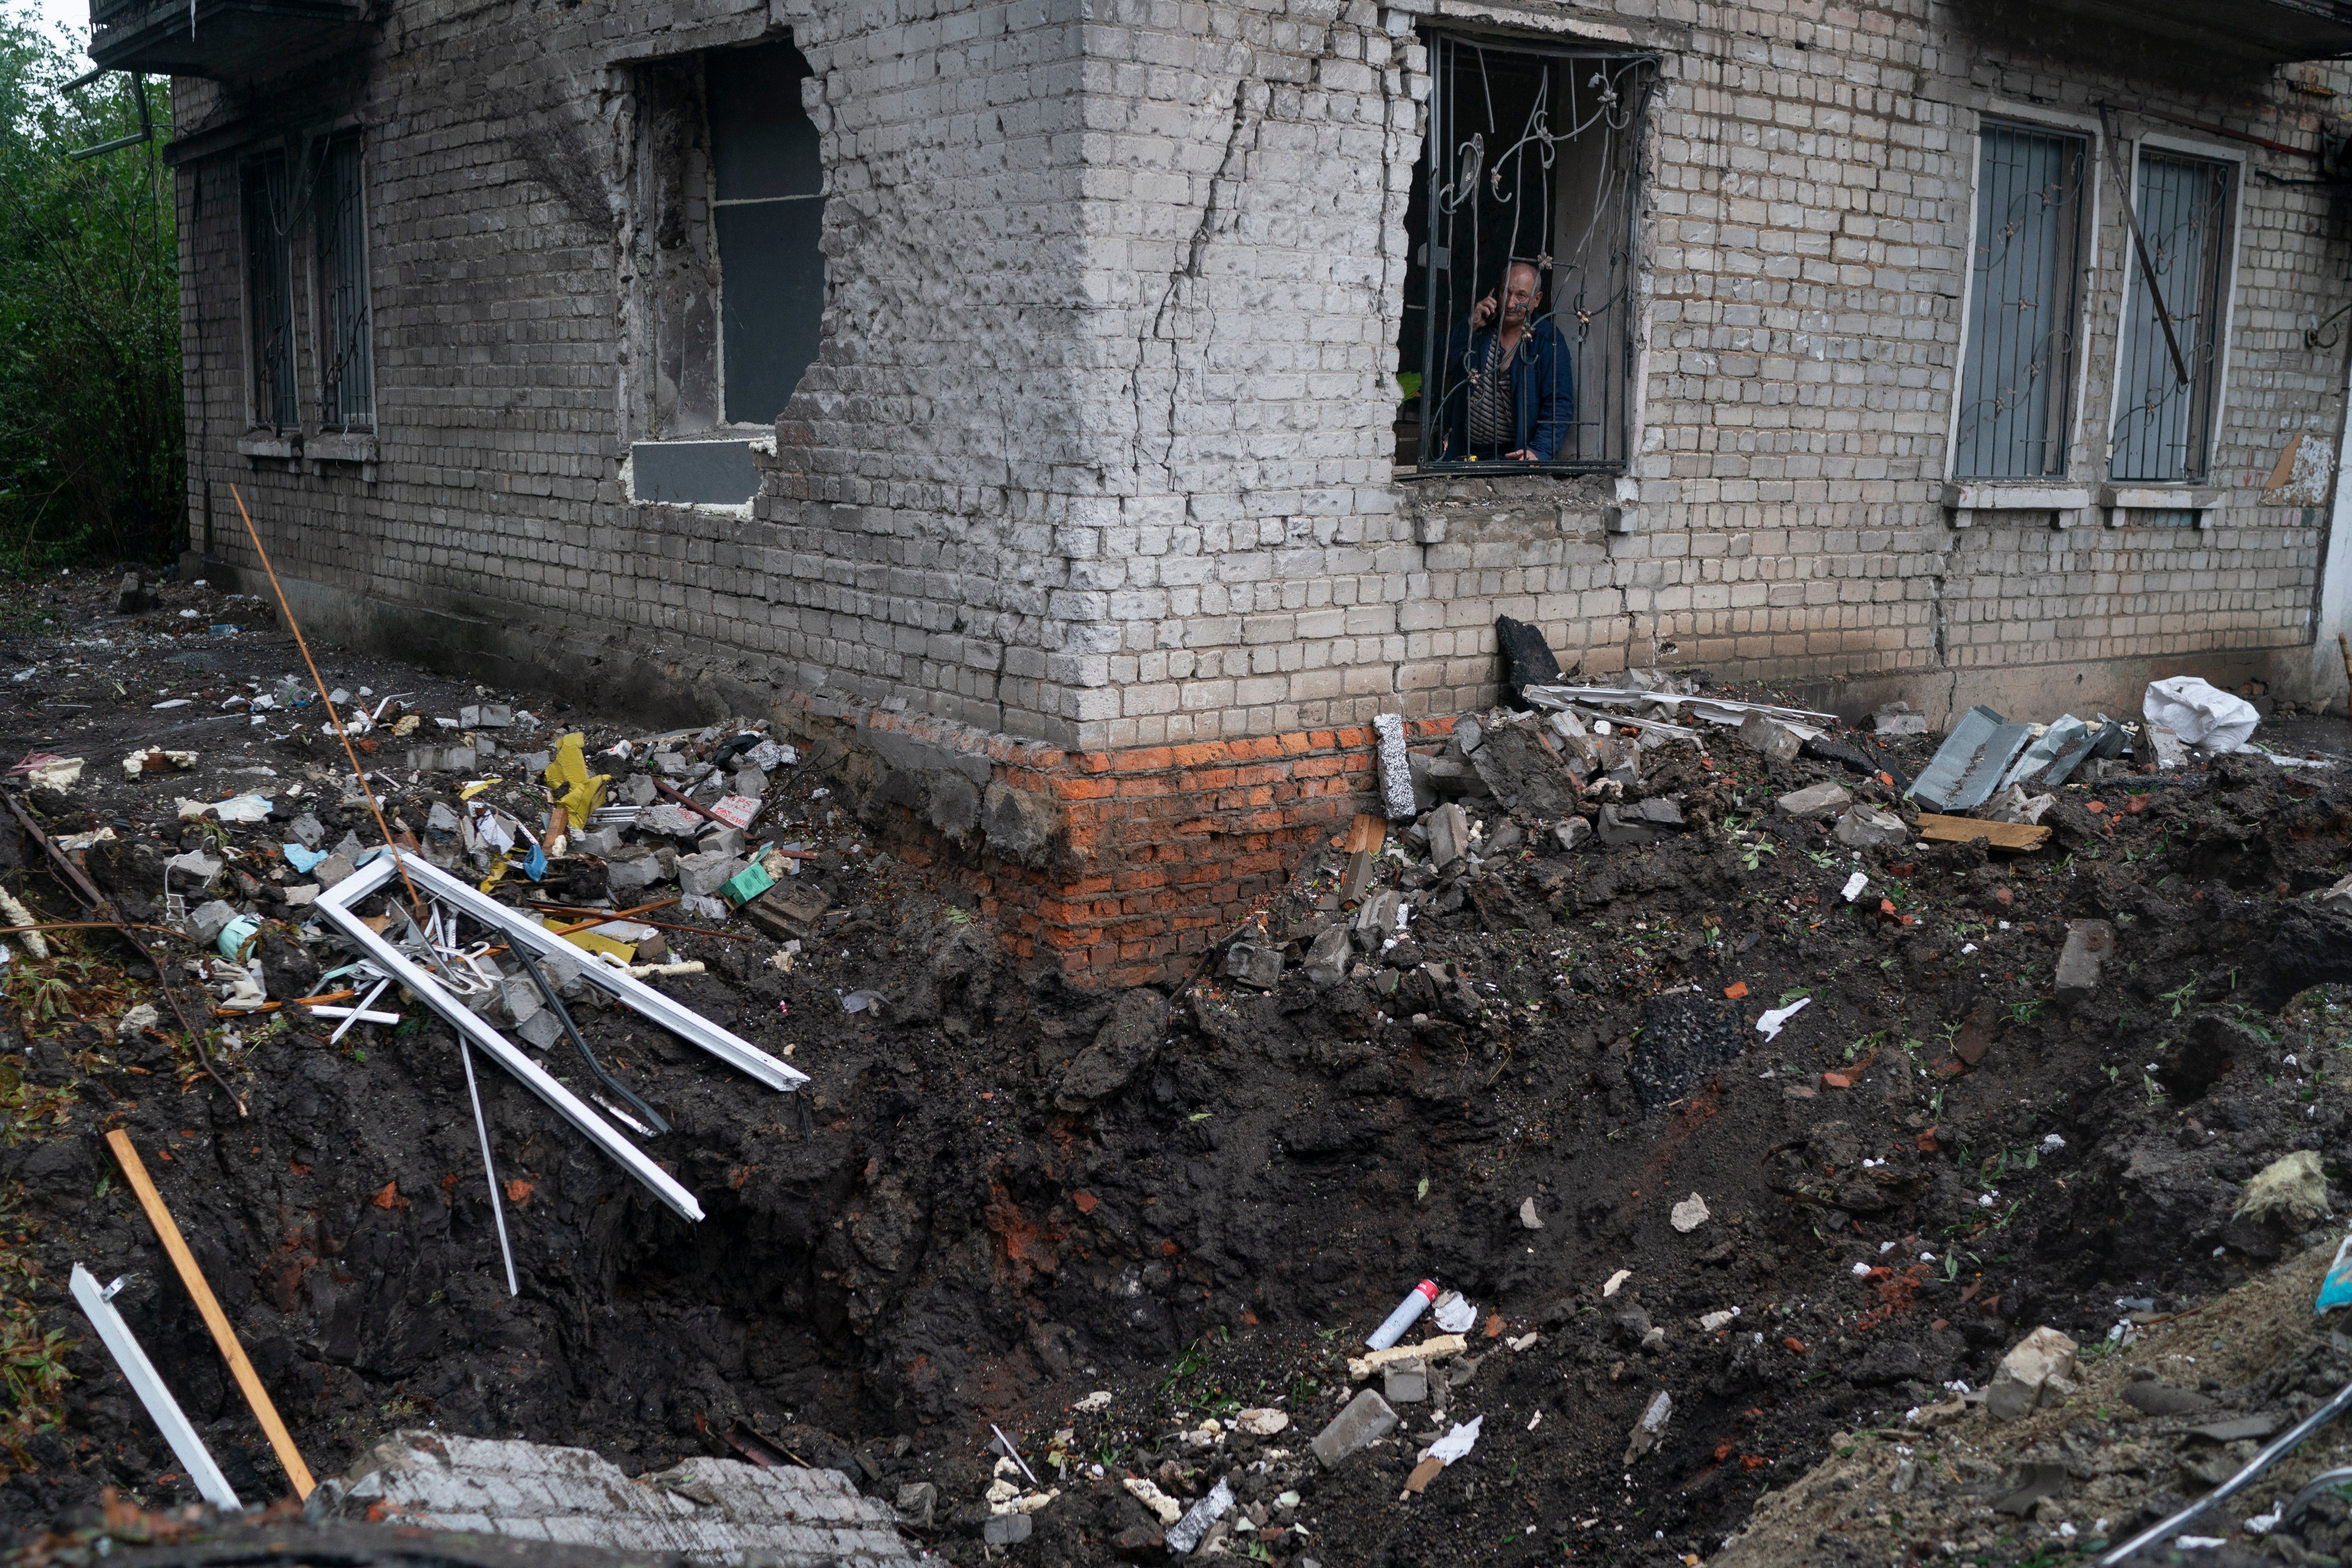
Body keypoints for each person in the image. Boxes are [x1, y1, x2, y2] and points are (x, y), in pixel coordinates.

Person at [1432, 260, 1574, 464]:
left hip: (1512, 456)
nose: (1510, 304)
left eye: (1521, 296)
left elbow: (1559, 401)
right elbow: (1436, 364)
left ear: (1536, 300)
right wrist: (1470, 326)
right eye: (1505, 292)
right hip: (1463, 452)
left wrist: (1540, 450)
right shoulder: (1481, 330)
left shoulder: (1547, 340)